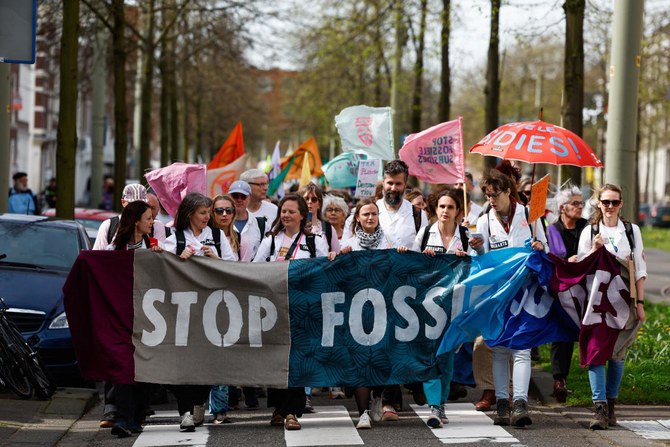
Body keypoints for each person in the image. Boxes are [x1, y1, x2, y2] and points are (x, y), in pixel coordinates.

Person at [469, 169, 547, 428]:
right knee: (500, 349)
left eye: (495, 194)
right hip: (499, 294)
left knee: (522, 348)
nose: (491, 199)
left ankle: (521, 403)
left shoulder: (529, 214)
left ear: (507, 192)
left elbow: (545, 247)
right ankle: (502, 403)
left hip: (525, 291)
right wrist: (478, 247)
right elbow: (482, 261)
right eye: (487, 195)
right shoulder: (484, 220)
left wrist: (539, 246)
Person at [252, 194, 328, 430]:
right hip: (274, 308)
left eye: (291, 211)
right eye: (283, 211)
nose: (286, 215)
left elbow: (324, 271)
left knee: (298, 359)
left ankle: (293, 412)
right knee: (277, 358)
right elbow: (255, 269)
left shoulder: (315, 241)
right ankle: (277, 408)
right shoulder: (271, 240)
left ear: (302, 215)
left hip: (303, 310)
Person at [164, 192, 235, 432]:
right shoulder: (174, 238)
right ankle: (185, 412)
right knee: (184, 362)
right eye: (203, 213)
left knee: (208, 361)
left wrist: (215, 257)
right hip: (183, 310)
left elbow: (234, 266)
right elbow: (161, 269)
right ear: (189, 214)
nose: (208, 217)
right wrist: (177, 260)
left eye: (208, 212)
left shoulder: (217, 236)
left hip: (212, 309)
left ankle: (197, 402)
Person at [577, 184, 646, 430]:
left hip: (624, 301)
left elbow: (639, 268)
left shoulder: (631, 230)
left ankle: (612, 404)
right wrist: (595, 250)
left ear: (621, 204)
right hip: (597, 301)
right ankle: (600, 407)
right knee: (596, 352)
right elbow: (580, 269)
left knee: (618, 353)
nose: (609, 207)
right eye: (605, 202)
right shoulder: (589, 231)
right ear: (599, 204)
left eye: (614, 202)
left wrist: (640, 303)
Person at [405, 188, 470, 429]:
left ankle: (441, 402)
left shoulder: (465, 235)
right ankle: (434, 405)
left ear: (458, 212)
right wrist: (422, 257)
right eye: (441, 206)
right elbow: (410, 267)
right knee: (431, 355)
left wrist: (468, 257)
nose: (445, 211)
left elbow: (479, 268)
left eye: (450, 207)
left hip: (455, 306)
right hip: (428, 306)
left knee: (447, 357)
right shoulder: (424, 234)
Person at [331, 198, 394, 429]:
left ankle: (377, 396)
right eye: (365, 214)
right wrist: (338, 256)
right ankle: (363, 413)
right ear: (357, 218)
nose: (370, 218)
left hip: (383, 309)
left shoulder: (387, 242)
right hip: (356, 311)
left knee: (382, 361)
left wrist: (402, 254)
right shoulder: (348, 243)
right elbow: (336, 274)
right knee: (361, 363)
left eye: (374, 214)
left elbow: (396, 269)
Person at [104, 201, 161, 438]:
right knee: (124, 370)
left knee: (144, 370)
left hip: (150, 319)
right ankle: (123, 419)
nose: (152, 222)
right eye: (148, 218)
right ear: (137, 221)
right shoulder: (114, 251)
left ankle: (137, 417)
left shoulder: (156, 247)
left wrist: (162, 260)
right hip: (121, 319)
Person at [546, 186, 588, 403]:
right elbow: (550, 258)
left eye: (581, 203)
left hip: (586, 287)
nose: (580, 207)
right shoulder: (553, 230)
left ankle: (593, 374)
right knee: (562, 331)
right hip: (562, 288)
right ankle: (559, 380)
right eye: (575, 203)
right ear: (562, 208)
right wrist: (565, 262)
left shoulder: (587, 227)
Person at [343, 160, 427, 246]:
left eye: (398, 184)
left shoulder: (419, 216)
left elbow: (424, 251)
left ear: (405, 185)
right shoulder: (364, 212)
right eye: (390, 183)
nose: (393, 188)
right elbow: (346, 247)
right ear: (383, 183)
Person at [93, 184, 149, 250]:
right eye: (132, 205)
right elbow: (98, 256)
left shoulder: (154, 226)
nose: (136, 209)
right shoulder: (109, 225)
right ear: (123, 202)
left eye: (141, 205)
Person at [210, 195, 252, 262]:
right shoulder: (205, 236)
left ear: (233, 214)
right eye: (219, 211)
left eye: (229, 210)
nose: (224, 214)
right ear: (212, 213)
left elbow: (245, 269)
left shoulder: (241, 240)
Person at [300, 183, 340, 252]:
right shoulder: (294, 226)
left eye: (314, 199)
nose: (310, 202)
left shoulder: (328, 228)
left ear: (319, 204)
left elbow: (337, 254)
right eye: (306, 199)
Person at [228, 181, 263, 261]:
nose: (239, 200)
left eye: (243, 196)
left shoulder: (260, 225)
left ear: (250, 198)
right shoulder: (220, 223)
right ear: (229, 196)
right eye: (235, 196)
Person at [241, 169, 278, 237]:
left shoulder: (274, 210)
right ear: (247, 186)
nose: (266, 188)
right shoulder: (234, 211)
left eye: (266, 184)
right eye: (261, 185)